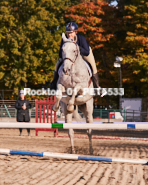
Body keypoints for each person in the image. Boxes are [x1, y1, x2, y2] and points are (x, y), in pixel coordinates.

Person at [50, 22, 99, 90]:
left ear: (75, 32)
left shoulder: (81, 38)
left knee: (93, 66)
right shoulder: (64, 39)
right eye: (67, 33)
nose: (69, 35)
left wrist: (77, 49)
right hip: (69, 56)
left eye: (71, 33)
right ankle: (53, 84)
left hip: (84, 53)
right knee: (57, 65)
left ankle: (97, 87)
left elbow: (86, 52)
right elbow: (60, 53)